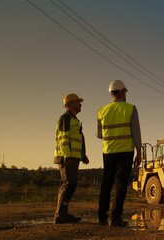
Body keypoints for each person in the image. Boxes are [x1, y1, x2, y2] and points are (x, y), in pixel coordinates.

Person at [97, 80, 142, 227]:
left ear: (112, 93)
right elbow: (136, 133)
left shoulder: (101, 110)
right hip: (125, 151)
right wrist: (139, 152)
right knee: (121, 184)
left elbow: (99, 134)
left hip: (108, 151)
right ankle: (115, 218)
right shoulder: (130, 108)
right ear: (122, 91)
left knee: (106, 183)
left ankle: (102, 217)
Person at [53, 93, 89, 224]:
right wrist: (67, 155)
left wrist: (82, 155)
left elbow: (79, 139)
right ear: (69, 104)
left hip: (74, 157)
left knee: (69, 184)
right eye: (77, 102)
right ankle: (60, 215)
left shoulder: (75, 120)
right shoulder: (65, 118)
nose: (80, 105)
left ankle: (62, 214)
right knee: (69, 184)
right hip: (67, 157)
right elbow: (63, 138)